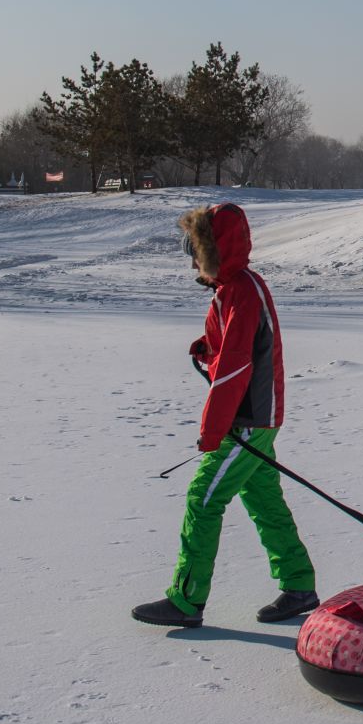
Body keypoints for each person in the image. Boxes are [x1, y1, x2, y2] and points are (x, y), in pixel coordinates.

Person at [132, 203, 318, 628]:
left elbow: (236, 366)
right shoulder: (236, 288)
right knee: (264, 500)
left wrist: (212, 430)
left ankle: (186, 600)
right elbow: (234, 348)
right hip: (256, 419)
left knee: (203, 498)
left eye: (194, 253)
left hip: (247, 422)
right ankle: (298, 584)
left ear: (213, 252)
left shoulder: (241, 291)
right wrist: (207, 348)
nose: (192, 262)